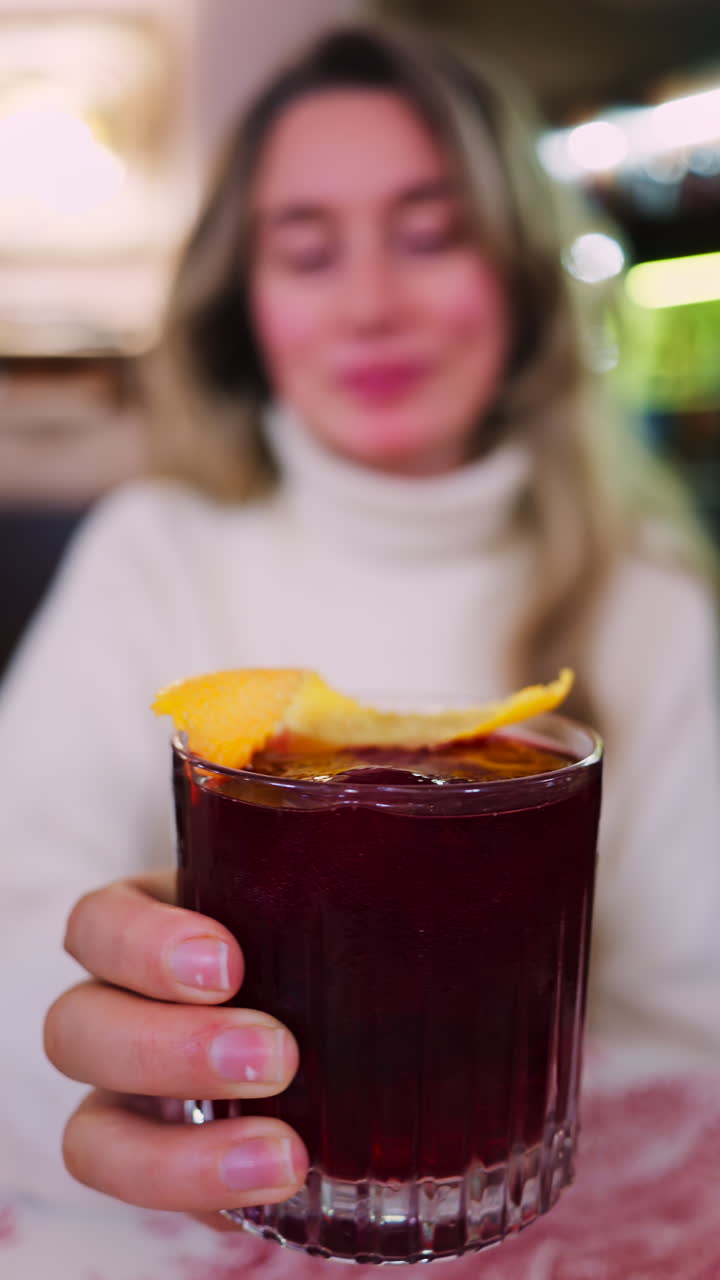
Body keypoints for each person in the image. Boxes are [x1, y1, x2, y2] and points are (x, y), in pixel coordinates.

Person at [1, 19, 718, 1272]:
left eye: (431, 234)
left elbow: (699, 1008)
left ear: (522, 272)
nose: (374, 301)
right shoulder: (155, 548)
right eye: (307, 249)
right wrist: (118, 1042)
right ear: (248, 302)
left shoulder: (649, 600)